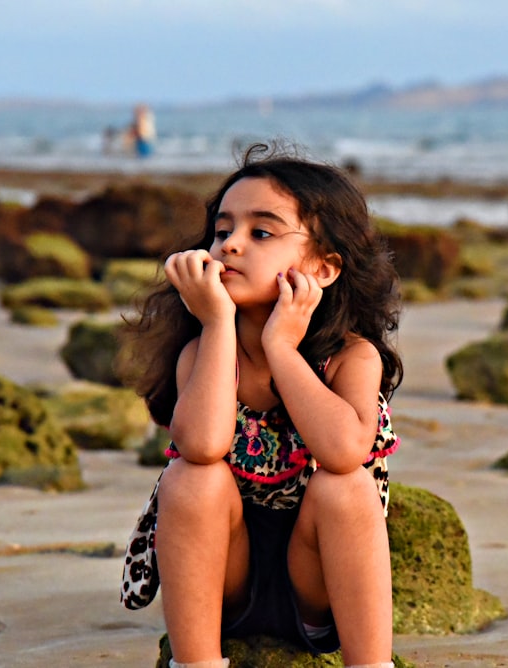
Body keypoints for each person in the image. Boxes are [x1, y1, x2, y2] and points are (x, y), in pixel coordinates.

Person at [119, 142, 403, 668]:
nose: (230, 245)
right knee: (191, 476)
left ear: (322, 268)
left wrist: (280, 347)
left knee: (345, 485)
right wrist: (217, 323)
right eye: (223, 230)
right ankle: (197, 662)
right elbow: (203, 445)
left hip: (315, 588)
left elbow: (344, 451)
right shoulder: (201, 352)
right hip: (225, 585)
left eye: (262, 232)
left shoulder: (351, 357)